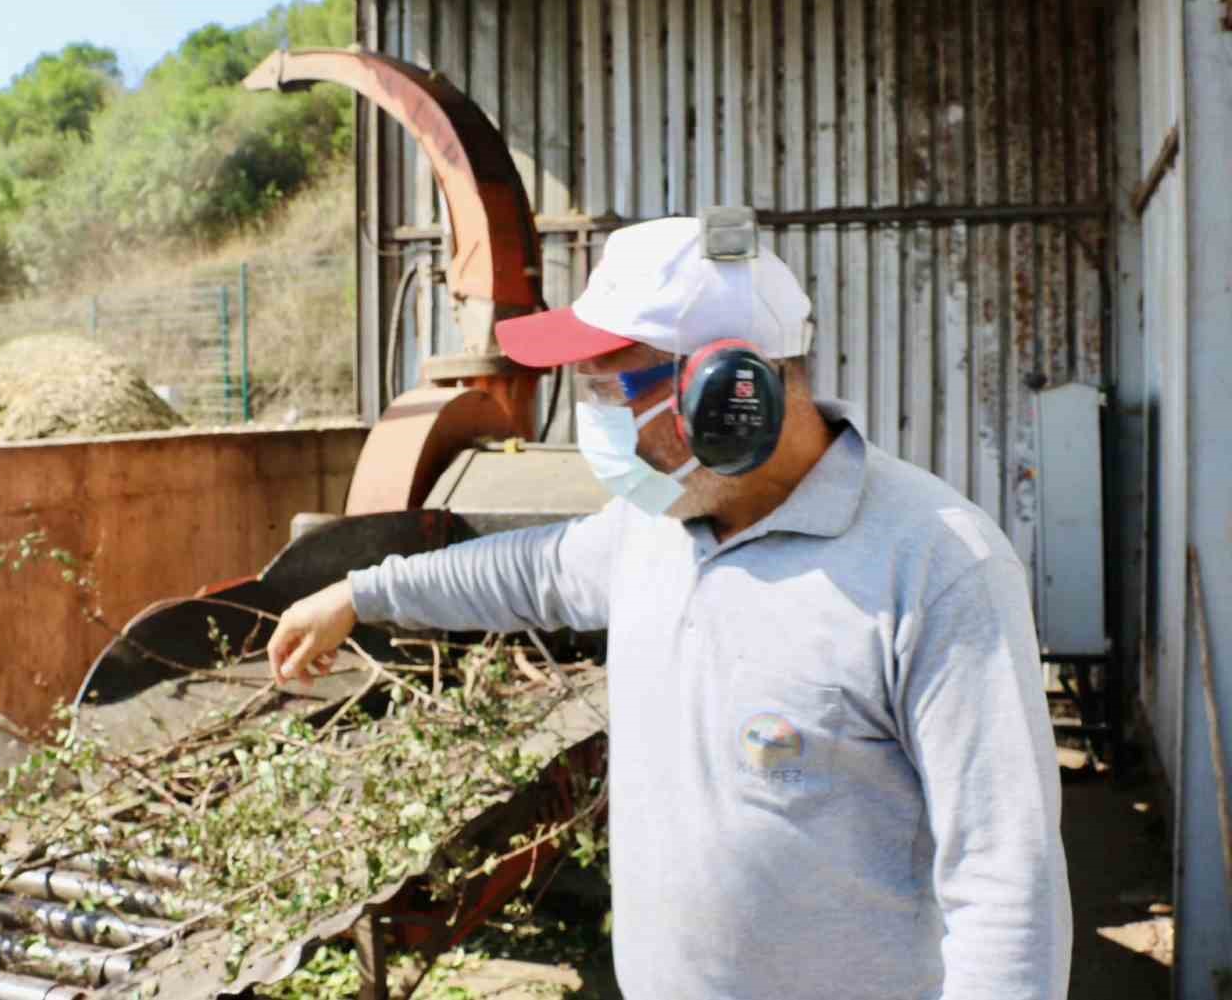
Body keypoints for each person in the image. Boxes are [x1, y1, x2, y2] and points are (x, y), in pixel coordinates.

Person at [267, 212, 1072, 1000]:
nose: (599, 428)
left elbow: (1006, 889)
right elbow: (533, 570)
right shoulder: (655, 528)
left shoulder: (936, 565)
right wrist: (360, 592)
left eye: (611, 391)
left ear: (730, 393)